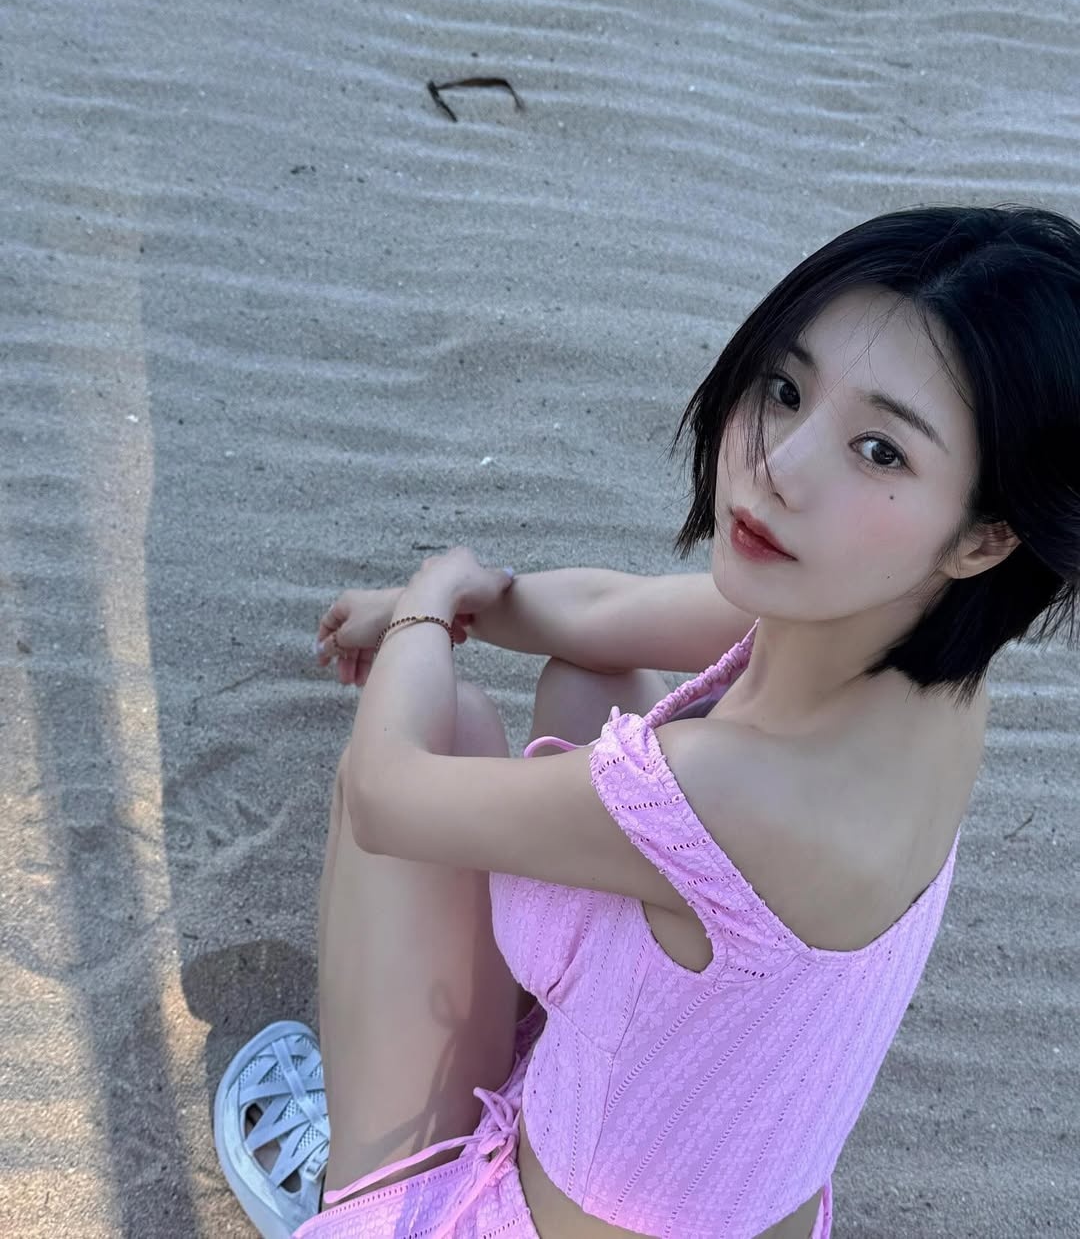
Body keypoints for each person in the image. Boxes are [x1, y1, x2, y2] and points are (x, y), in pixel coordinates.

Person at [213, 205, 1080, 1238]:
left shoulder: (736, 789)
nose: (783, 464)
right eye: (787, 390)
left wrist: (424, 605)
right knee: (588, 675)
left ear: (986, 537)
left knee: (443, 720)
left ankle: (358, 1174)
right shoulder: (919, 669)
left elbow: (387, 795)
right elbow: (604, 613)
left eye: (879, 450)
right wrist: (450, 604)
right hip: (721, 1187)